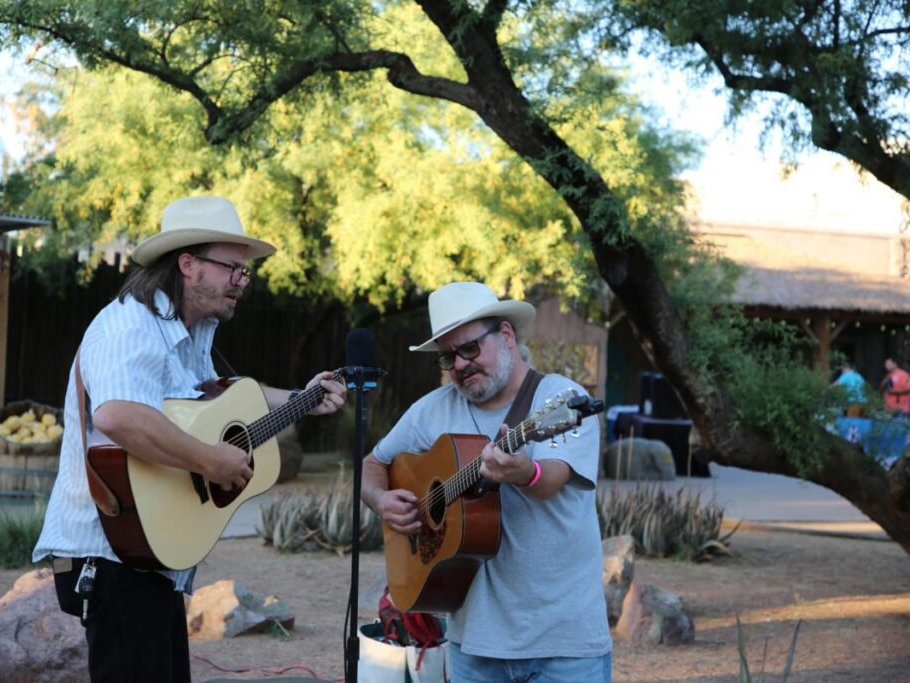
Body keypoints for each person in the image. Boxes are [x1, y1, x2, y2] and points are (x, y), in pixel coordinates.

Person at [32, 195, 347, 682]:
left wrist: (299, 398)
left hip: (152, 554)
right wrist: (209, 461)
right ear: (188, 265)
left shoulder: (191, 331)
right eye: (233, 270)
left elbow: (225, 401)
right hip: (112, 553)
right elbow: (118, 416)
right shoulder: (130, 326)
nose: (242, 282)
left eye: (246, 273)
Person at [361, 282, 612, 682]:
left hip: (564, 647)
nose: (459, 365)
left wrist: (522, 471)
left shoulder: (560, 399)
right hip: (473, 647)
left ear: (507, 336)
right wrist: (379, 499)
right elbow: (374, 462)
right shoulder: (433, 411)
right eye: (448, 357)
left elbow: (550, 480)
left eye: (470, 349)